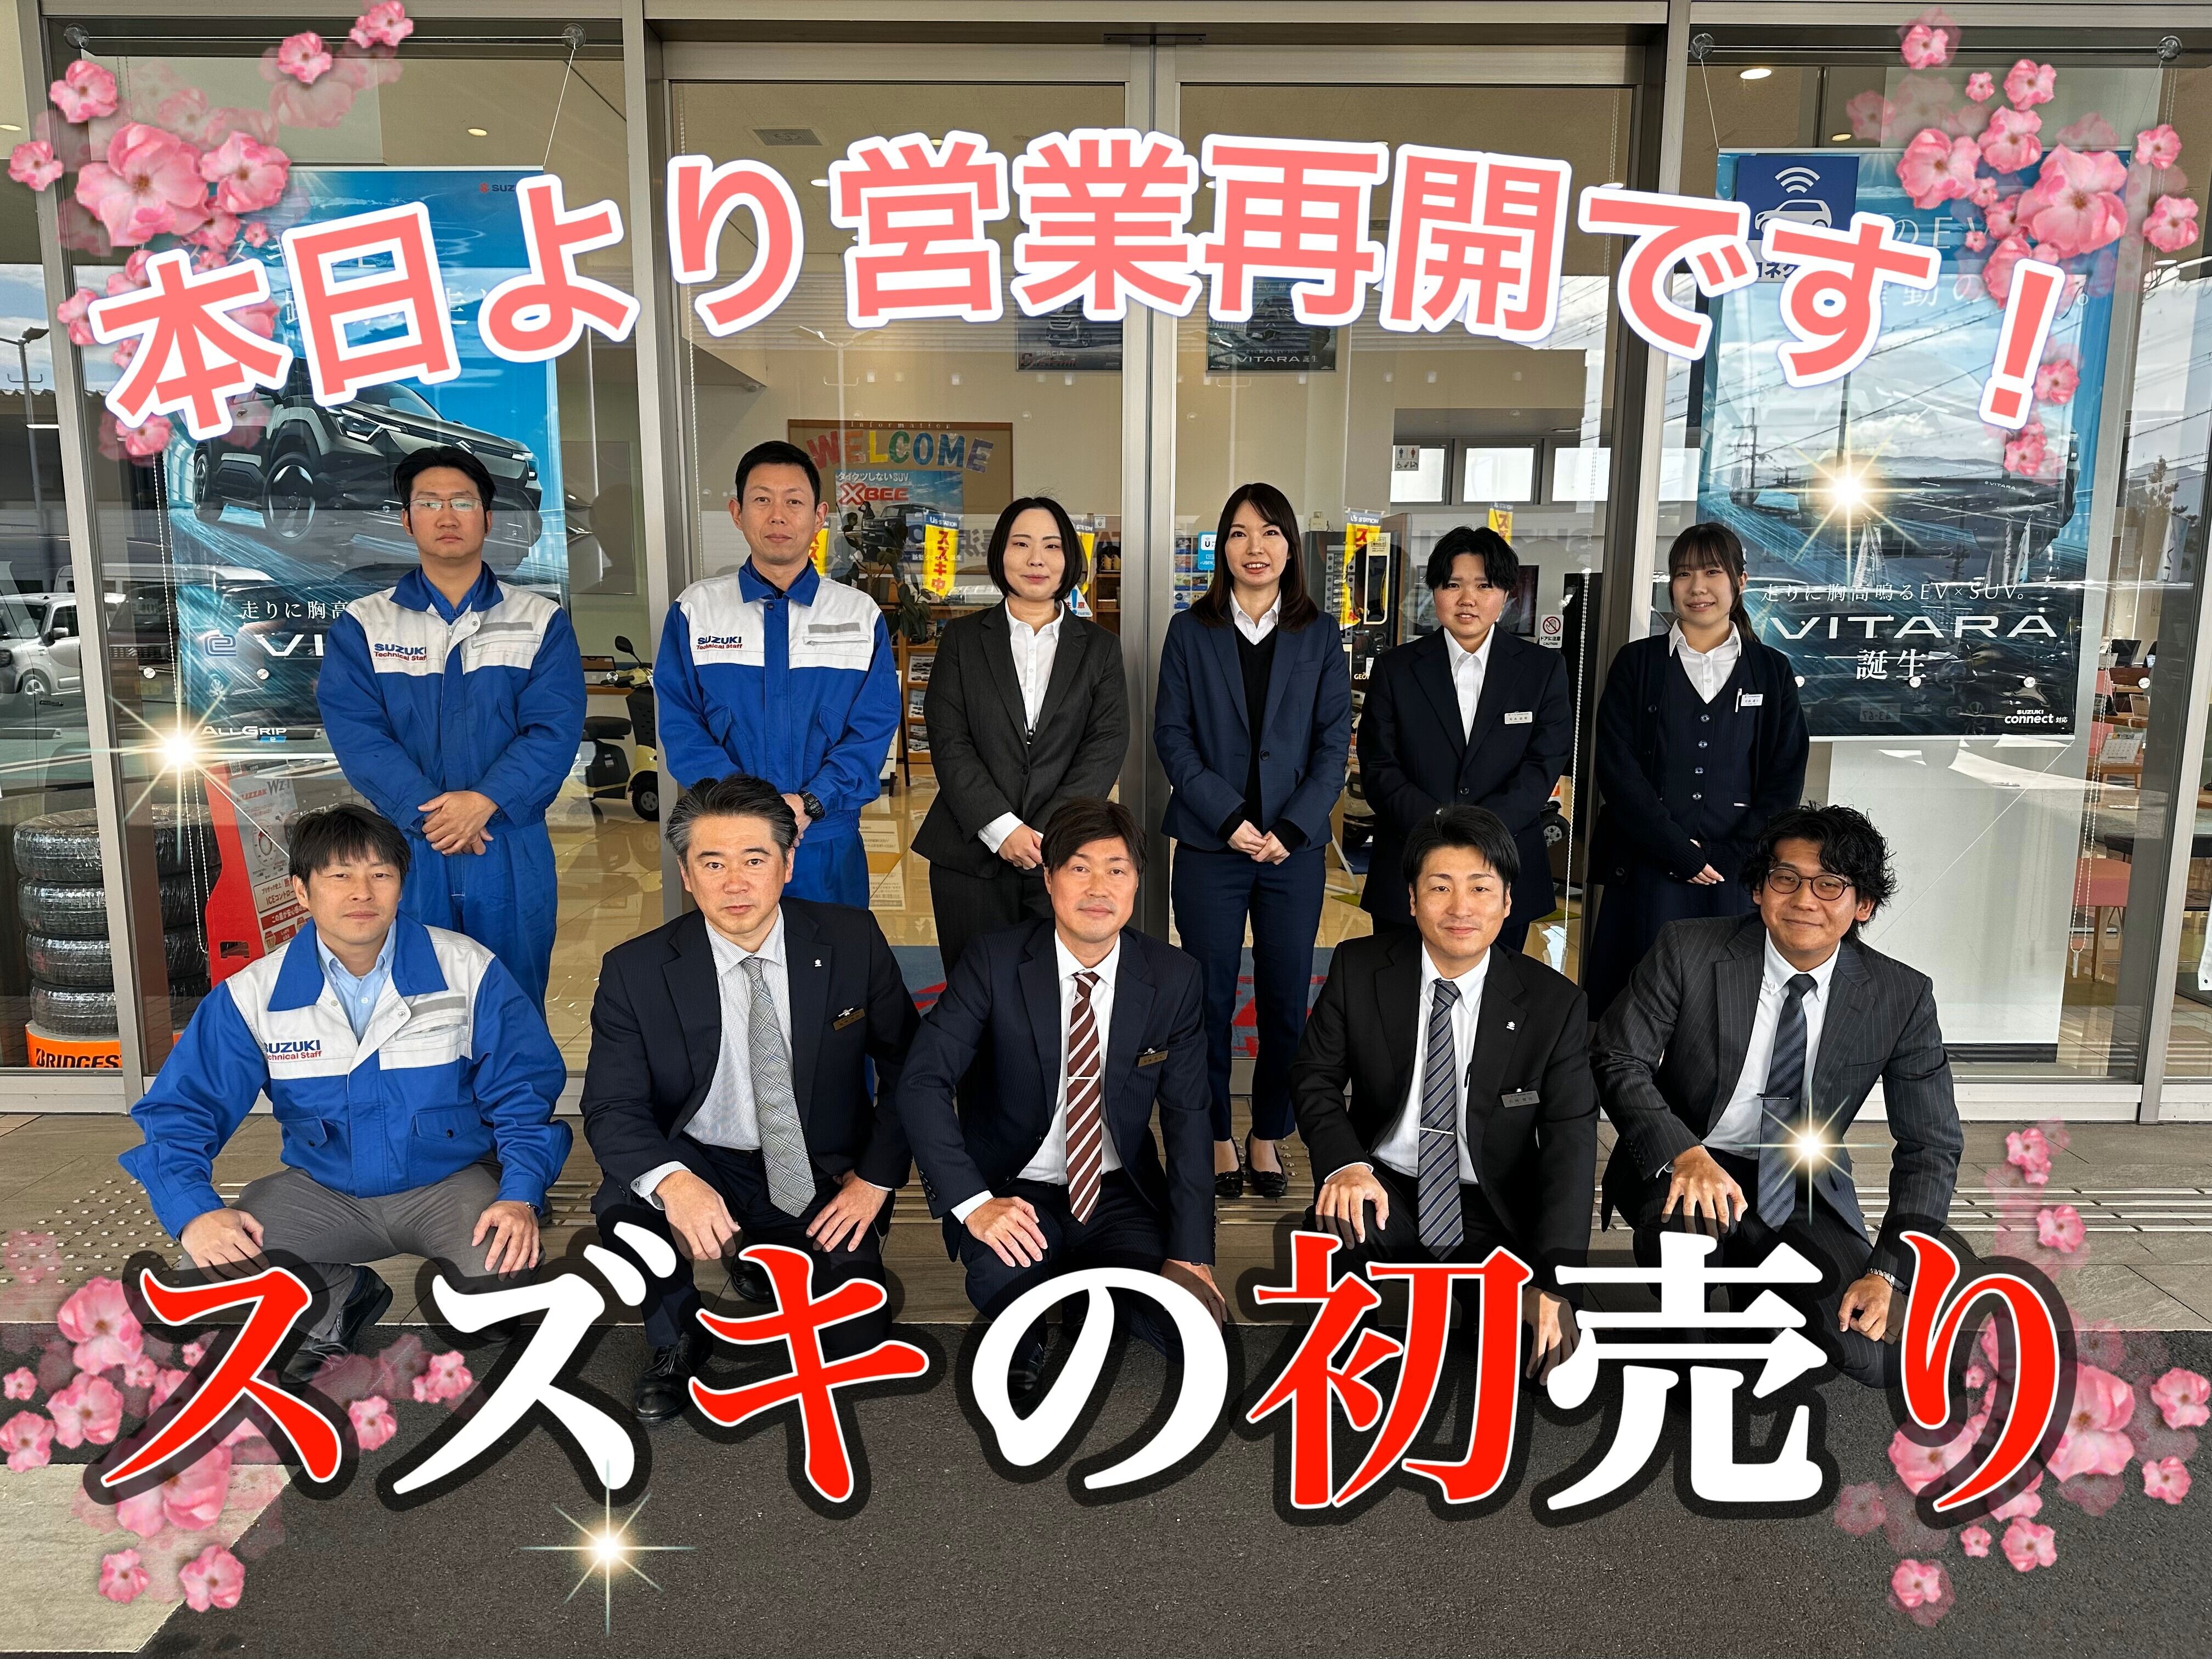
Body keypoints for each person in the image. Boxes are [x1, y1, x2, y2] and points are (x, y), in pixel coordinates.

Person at [118, 805, 569, 1382]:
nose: (362, 892)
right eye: (339, 876)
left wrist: (521, 1195)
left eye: (381, 874)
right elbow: (181, 1112)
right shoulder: (253, 995)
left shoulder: (466, 970)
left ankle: (469, 1283)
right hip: (325, 1194)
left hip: (449, 1185)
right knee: (207, 1271)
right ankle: (340, 1295)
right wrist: (195, 1212)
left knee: (492, 1302)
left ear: (402, 885)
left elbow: (523, 1093)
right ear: (301, 891)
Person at [580, 774, 920, 1422]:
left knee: (854, 1342)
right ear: (687, 875)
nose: (735, 883)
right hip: (703, 1156)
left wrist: (875, 1179)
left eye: (754, 860)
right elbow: (611, 1107)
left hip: (815, 1166)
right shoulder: (636, 969)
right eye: (713, 864)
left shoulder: (851, 940)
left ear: (787, 865)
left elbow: (910, 1067)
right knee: (627, 1203)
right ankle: (676, 1337)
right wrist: (673, 1182)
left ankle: (759, 1253)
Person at [1589, 805, 1961, 1388]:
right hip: (1692, 1162)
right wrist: (1684, 1153)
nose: (1804, 900)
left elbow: (1931, 1147)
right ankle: (1708, 1302)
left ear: (1863, 904)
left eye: (1830, 884)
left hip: (1800, 1182)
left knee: (1874, 1357)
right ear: (1759, 890)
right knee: (1692, 1365)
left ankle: (1761, 1275)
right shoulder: (1688, 949)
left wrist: (1891, 1273)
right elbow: (1618, 1057)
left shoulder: (1901, 995)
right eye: (1786, 878)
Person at [897, 797, 1217, 1393]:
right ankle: (1035, 1324)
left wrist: (1192, 1250)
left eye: (1117, 870)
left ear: (1137, 882)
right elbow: (922, 1081)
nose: (1099, 888)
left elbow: (1189, 1117)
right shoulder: (995, 960)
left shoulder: (1173, 976)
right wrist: (974, 1203)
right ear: (1048, 879)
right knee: (1003, 1276)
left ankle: (1084, 1289)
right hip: (1015, 1185)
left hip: (1116, 1190)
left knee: (1188, 1327)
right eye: (1079, 868)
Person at [1292, 806, 1592, 1379]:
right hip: (1385, 1186)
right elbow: (1314, 1077)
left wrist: (1555, 1281)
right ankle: (1346, 1364)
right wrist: (1345, 1165)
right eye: (1440, 887)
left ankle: (1481, 1312)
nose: (1460, 908)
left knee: (1541, 1369)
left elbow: (1571, 1148)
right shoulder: (1360, 968)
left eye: (1480, 888)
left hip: (1493, 1204)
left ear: (1508, 901)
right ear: (1412, 900)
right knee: (1337, 1225)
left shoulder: (1554, 1005)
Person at [317, 444, 585, 1011]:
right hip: (410, 848)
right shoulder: (365, 624)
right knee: (412, 1003)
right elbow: (359, 734)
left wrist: (486, 801)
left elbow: (554, 730)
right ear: (406, 519)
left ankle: (511, 1078)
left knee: (511, 1000)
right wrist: (432, 815)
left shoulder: (539, 621)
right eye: (429, 502)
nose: (446, 515)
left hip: (507, 844)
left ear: (487, 519)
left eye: (462, 502)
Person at [1153, 482, 1350, 1202]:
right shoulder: (1191, 631)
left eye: (1270, 533)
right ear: (1222, 548)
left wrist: (1291, 828)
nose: (1255, 547)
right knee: (1205, 998)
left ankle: (1269, 1131)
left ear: (1291, 547)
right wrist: (1228, 817)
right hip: (1212, 847)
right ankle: (1213, 1134)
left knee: (1284, 998)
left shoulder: (1320, 634)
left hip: (1292, 852)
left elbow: (1334, 743)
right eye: (1239, 533)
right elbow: (1172, 738)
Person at [654, 441, 899, 907]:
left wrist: (812, 802)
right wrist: (748, 808)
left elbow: (873, 728)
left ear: (819, 515)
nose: (778, 516)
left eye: (794, 501)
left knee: (833, 950)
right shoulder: (696, 611)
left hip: (825, 838)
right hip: (729, 843)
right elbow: (681, 728)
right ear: (737, 512)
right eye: (762, 500)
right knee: (733, 952)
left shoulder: (858, 614)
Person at [1583, 521, 1809, 1019]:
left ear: (1740, 581)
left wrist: (1736, 854)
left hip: (1734, 873)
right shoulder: (1638, 664)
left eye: (1712, 572)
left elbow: (1785, 774)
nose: (1697, 587)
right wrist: (1675, 849)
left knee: (1723, 1008)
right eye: (1684, 574)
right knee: (1636, 1006)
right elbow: (1616, 769)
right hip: (1648, 867)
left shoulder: (1771, 669)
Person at [915, 495, 1128, 977]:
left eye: (1052, 546)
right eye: (1021, 544)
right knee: (973, 992)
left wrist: (1046, 833)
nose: (1037, 559)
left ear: (1069, 558)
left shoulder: (1100, 648)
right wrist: (1001, 828)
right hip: (969, 855)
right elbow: (949, 739)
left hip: (1063, 857)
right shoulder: (962, 640)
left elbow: (1106, 745)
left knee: (1050, 993)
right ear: (1001, 553)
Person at [1357, 524, 1570, 953]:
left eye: (1483, 585)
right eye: (1453, 585)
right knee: (1398, 986)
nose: (1467, 599)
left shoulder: (1542, 669)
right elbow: (1380, 767)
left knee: (1496, 990)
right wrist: (1440, 828)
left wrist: (1483, 833)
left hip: (1505, 868)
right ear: (1435, 592)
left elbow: (1543, 764)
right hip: (1409, 867)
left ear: (1506, 593)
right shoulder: (1396, 669)